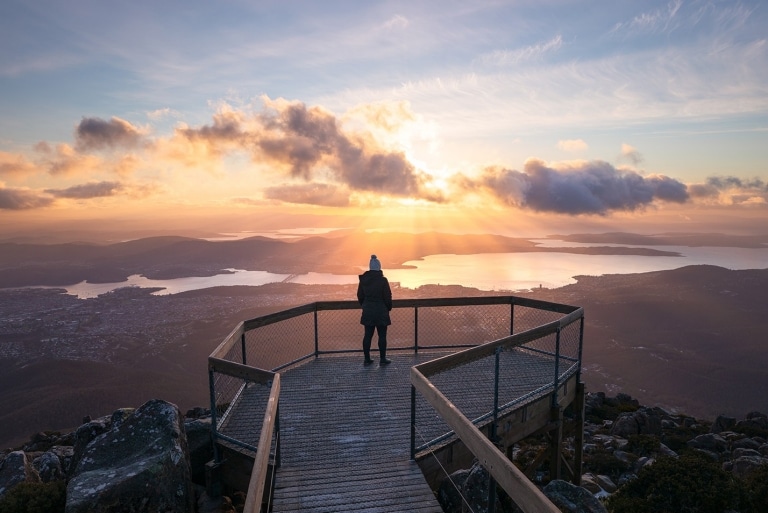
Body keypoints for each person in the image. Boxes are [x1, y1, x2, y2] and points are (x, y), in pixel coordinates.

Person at [357, 254, 392, 366]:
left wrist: (365, 305)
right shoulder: (383, 280)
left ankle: (367, 359)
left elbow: (360, 295)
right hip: (381, 311)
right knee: (382, 336)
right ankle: (382, 359)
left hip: (368, 310)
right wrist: (388, 307)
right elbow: (387, 296)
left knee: (367, 335)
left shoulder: (363, 280)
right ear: (379, 267)